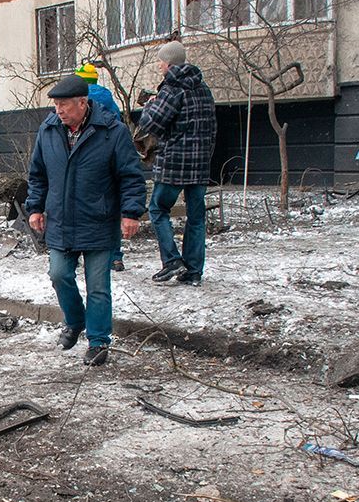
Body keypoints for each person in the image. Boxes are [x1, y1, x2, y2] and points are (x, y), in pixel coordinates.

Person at [26, 74, 144, 367]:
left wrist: (130, 213)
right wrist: (35, 208)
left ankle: (99, 341)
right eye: (56, 105)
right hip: (61, 220)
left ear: (83, 102)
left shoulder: (112, 132)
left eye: (64, 105)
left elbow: (130, 176)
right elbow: (38, 174)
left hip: (99, 221)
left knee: (98, 287)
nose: (59, 111)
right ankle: (75, 321)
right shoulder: (49, 130)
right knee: (58, 274)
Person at [139, 41, 217, 286]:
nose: (159, 65)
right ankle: (193, 270)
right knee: (196, 217)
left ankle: (172, 260)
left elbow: (152, 123)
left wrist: (151, 104)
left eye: (161, 61)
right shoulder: (202, 88)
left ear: (170, 63)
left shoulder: (172, 88)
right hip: (200, 164)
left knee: (157, 209)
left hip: (174, 163)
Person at [75, 62, 130, 273]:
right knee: (110, 212)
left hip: (88, 162)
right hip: (111, 161)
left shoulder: (79, 100)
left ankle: (83, 254)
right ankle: (115, 257)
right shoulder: (107, 97)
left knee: (83, 210)